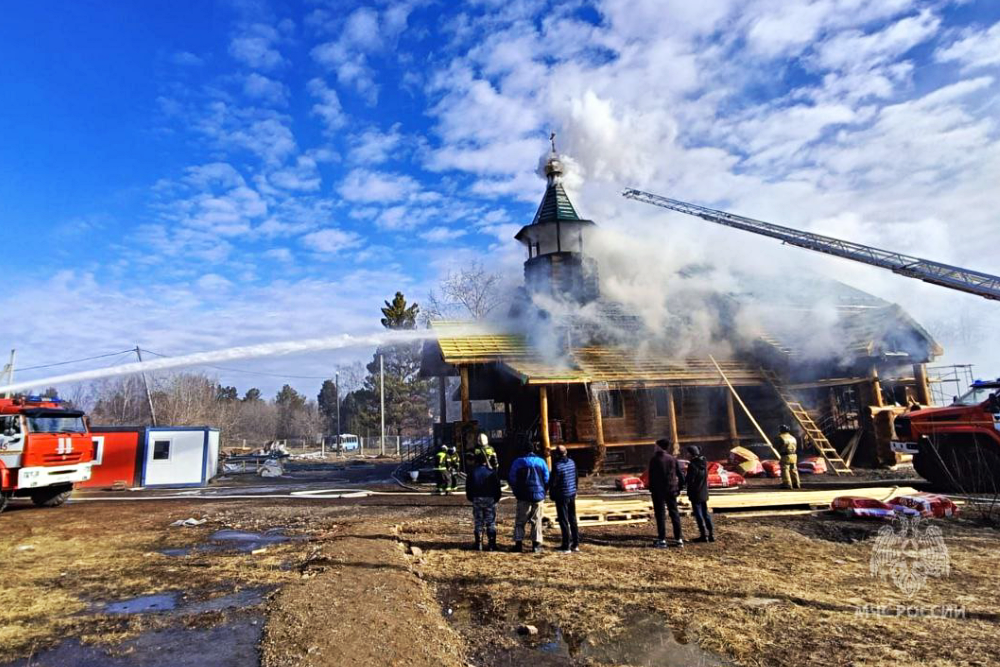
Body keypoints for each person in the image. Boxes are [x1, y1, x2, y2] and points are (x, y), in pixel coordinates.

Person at [508, 440, 550, 553]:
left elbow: (512, 479)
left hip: (523, 495)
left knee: (520, 521)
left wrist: (516, 492)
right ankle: (536, 545)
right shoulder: (541, 462)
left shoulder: (518, 462)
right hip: (538, 495)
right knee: (537, 521)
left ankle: (518, 544)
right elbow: (547, 479)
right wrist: (543, 491)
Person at [647, 438, 685, 548]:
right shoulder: (672, 459)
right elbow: (680, 474)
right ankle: (678, 539)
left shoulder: (654, 459)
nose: (654, 447)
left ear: (659, 446)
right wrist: (679, 488)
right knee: (674, 513)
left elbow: (652, 476)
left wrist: (651, 488)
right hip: (672, 489)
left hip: (658, 491)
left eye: (655, 445)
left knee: (660, 514)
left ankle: (662, 539)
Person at [465, 451, 502, 551]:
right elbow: (497, 487)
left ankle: (478, 544)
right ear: (486, 460)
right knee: (490, 522)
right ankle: (491, 544)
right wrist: (496, 498)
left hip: (477, 498)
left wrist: (471, 498)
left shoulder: (472, 473)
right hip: (490, 499)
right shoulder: (492, 473)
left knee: (478, 521)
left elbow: (468, 488)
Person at [549, 445, 580, 553]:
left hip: (562, 495)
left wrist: (552, 494)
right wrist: (575, 489)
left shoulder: (557, 466)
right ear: (566, 452)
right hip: (571, 493)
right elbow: (576, 478)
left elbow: (553, 483)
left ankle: (566, 545)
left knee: (563, 520)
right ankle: (575, 544)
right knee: (573, 519)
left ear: (557, 454)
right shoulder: (572, 462)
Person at [684, 446, 714, 543]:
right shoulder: (703, 463)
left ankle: (703, 535)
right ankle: (711, 534)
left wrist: (684, 475)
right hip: (704, 492)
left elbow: (689, 480)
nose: (686, 454)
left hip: (695, 493)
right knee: (705, 513)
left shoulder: (692, 465)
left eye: (688, 452)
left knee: (698, 514)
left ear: (691, 454)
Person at [778, 424, 801, 490]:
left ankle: (787, 483)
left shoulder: (780, 437)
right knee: (794, 469)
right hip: (794, 455)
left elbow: (776, 445)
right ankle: (796, 483)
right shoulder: (792, 437)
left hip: (785, 455)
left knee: (785, 469)